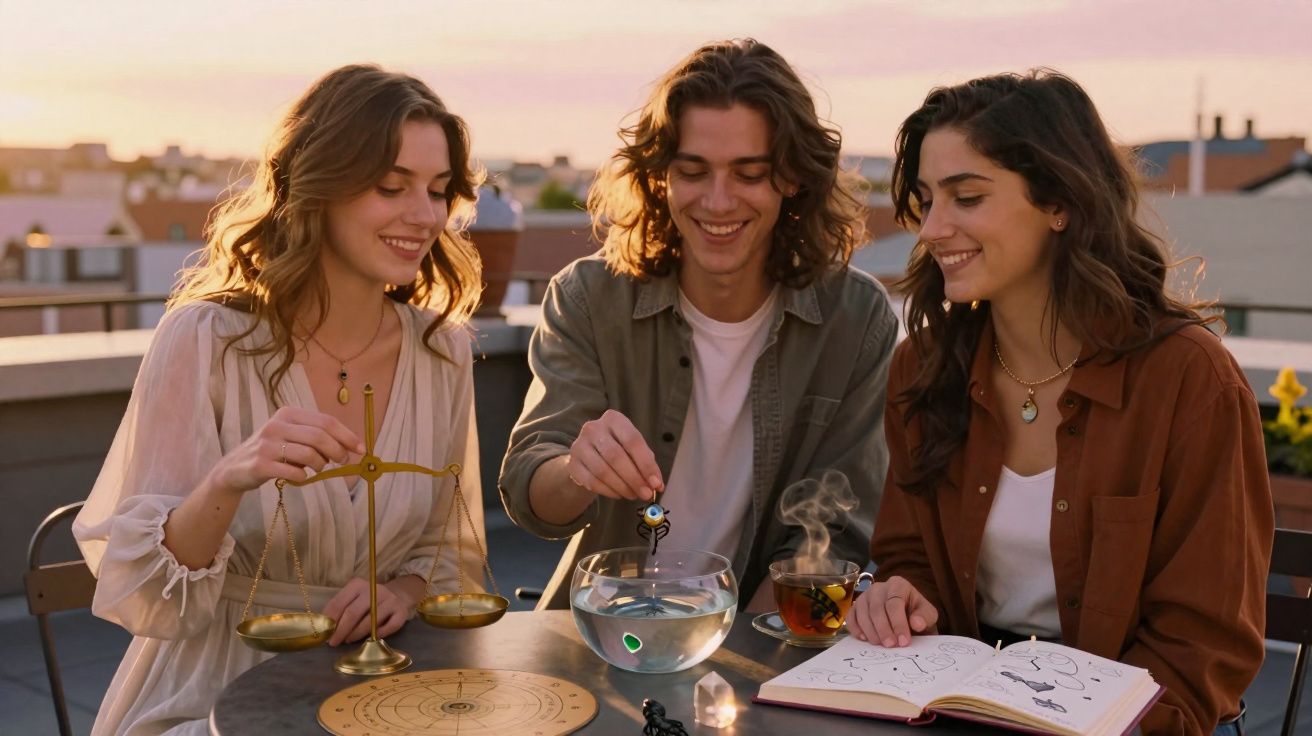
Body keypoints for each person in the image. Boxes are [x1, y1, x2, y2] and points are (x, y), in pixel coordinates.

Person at [846, 70, 1272, 735]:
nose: (932, 228)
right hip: (958, 710)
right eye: (927, 200)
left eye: (967, 196)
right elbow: (910, 561)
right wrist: (897, 600)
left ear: (1059, 204)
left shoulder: (1188, 380)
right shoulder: (924, 368)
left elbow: (1203, 648)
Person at [73, 64, 488, 735]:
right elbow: (148, 597)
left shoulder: (442, 352)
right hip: (215, 692)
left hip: (380, 688)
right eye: (391, 187)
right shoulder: (206, 339)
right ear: (318, 188)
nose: (425, 216)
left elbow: (451, 549)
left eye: (439, 191)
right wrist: (229, 477)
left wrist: (404, 590)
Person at [499, 39, 898, 611]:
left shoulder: (857, 319)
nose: (717, 201)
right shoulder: (588, 296)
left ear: (791, 179)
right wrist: (576, 469)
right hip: (599, 638)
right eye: (693, 171)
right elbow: (530, 495)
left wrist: (742, 664)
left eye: (748, 173)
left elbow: (835, 536)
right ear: (660, 176)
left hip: (764, 638)